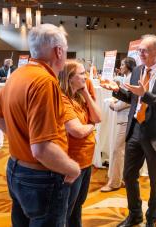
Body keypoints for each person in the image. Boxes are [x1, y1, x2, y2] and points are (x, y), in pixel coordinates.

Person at [0, 24, 80, 227]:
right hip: (41, 176)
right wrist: (72, 168)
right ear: (59, 51)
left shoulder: (18, 74)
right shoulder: (44, 82)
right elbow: (42, 149)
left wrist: (19, 138)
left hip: (16, 168)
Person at [101, 34, 156, 227]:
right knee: (129, 175)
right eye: (140, 50)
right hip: (135, 130)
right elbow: (132, 97)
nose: (140, 53)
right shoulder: (137, 71)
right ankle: (135, 214)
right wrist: (117, 90)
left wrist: (146, 95)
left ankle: (152, 218)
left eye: (144, 50)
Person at [59, 59, 101, 227]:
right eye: (82, 73)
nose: (86, 77)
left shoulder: (79, 96)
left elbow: (99, 117)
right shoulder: (63, 98)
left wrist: (86, 95)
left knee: (77, 205)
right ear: (69, 78)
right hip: (71, 162)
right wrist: (91, 126)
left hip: (85, 160)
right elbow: (77, 131)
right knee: (66, 208)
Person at [101, 57, 136, 192]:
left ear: (129, 65)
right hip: (127, 118)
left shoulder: (130, 78)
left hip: (126, 119)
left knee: (117, 150)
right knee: (124, 150)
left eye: (122, 64)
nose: (120, 67)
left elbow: (129, 100)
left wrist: (114, 106)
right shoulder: (128, 77)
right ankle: (123, 178)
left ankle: (115, 182)